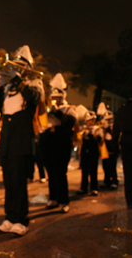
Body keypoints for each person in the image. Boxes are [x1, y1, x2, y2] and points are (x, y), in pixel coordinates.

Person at [0, 45, 41, 236]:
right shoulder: (8, 87)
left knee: (19, 182)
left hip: (21, 139)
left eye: (21, 66)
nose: (17, 68)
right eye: (15, 65)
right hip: (7, 140)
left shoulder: (34, 83)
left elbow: (33, 98)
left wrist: (18, 79)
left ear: (28, 68)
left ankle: (22, 220)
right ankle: (10, 217)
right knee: (9, 182)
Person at [39, 73, 78, 213]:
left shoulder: (69, 109)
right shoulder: (48, 109)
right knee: (50, 172)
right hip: (48, 141)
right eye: (53, 97)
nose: (54, 100)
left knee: (60, 173)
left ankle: (64, 201)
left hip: (61, 142)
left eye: (57, 97)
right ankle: (53, 198)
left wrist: (57, 112)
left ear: (62, 97)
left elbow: (70, 123)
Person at [77, 111, 104, 196]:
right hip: (85, 150)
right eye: (88, 120)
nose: (90, 122)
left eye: (91, 120)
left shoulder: (97, 128)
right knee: (84, 170)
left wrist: (93, 136)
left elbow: (100, 139)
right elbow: (78, 138)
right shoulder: (84, 128)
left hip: (93, 150)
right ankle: (83, 188)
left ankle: (94, 188)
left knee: (93, 170)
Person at [98, 109, 119, 190]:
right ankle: (106, 181)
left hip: (113, 149)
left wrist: (109, 129)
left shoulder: (114, 127)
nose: (108, 121)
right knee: (105, 166)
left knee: (112, 166)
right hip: (105, 149)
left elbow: (114, 136)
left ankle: (114, 181)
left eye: (109, 119)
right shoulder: (103, 127)